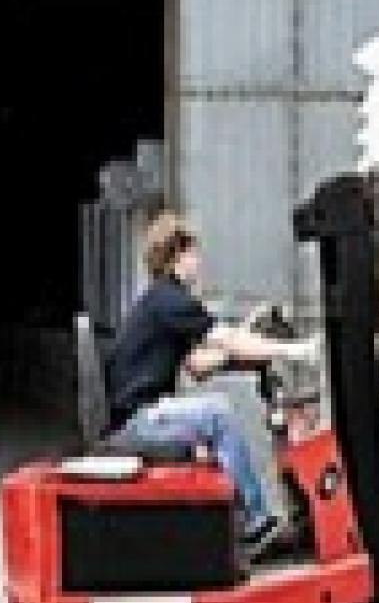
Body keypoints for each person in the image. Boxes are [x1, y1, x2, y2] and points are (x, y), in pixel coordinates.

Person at [104, 211, 319, 559]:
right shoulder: (171, 300)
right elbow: (226, 340)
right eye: (194, 253)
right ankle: (256, 524)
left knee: (213, 417)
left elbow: (199, 365)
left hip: (141, 417)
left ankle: (238, 523)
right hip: (139, 421)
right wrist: (295, 350)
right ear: (177, 255)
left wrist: (251, 344)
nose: (199, 262)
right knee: (217, 415)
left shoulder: (160, 301)